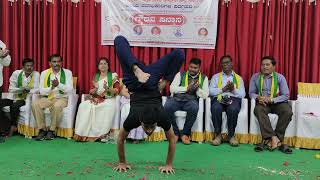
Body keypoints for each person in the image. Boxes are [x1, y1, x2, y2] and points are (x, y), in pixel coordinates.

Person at [113, 35, 184, 174]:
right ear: (140, 121)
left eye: (152, 127)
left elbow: (120, 139)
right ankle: (136, 68)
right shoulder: (138, 118)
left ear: (157, 122)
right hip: (149, 81)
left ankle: (135, 68)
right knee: (119, 40)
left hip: (136, 82)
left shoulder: (158, 117)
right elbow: (172, 140)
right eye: (147, 127)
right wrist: (121, 162)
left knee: (119, 40)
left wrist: (166, 81)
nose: (150, 131)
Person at [249, 56, 293, 154]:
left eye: (267, 65)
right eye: (263, 65)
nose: (265, 67)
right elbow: (251, 93)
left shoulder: (280, 77)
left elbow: (286, 95)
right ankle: (273, 138)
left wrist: (272, 100)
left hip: (277, 102)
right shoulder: (255, 77)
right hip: (263, 103)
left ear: (273, 66)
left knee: (287, 111)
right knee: (258, 110)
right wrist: (258, 97)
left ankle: (276, 137)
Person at [74, 57, 120, 142]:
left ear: (108, 66)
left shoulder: (113, 76)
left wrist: (108, 89)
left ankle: (102, 135)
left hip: (109, 99)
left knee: (107, 107)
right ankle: (83, 133)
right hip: (96, 98)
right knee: (83, 106)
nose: (103, 65)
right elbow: (91, 92)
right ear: (98, 66)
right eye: (100, 64)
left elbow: (117, 90)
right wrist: (95, 90)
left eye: (105, 63)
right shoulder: (96, 76)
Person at [164, 58, 209, 145]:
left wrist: (197, 89)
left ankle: (185, 133)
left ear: (199, 68)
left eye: (195, 68)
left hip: (191, 100)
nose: (192, 69)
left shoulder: (204, 78)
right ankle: (175, 133)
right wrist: (186, 88)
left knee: (194, 108)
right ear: (188, 66)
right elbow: (172, 89)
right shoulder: (180, 74)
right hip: (176, 99)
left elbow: (205, 95)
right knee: (166, 107)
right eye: (191, 67)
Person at [32, 54, 73, 141]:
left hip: (62, 98)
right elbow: (42, 91)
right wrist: (51, 88)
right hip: (48, 97)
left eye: (58, 61)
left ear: (61, 62)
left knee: (57, 106)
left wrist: (59, 85)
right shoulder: (44, 73)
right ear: (50, 63)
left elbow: (70, 89)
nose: (56, 63)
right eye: (54, 62)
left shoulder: (67, 72)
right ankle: (42, 130)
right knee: (35, 104)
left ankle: (51, 130)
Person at [209, 55, 245, 146]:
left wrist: (233, 90)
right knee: (216, 108)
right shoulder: (216, 77)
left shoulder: (238, 78)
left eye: (228, 62)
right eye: (223, 63)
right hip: (220, 97)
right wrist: (223, 89)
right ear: (221, 65)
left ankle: (231, 135)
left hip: (233, 98)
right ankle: (218, 135)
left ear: (232, 63)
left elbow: (242, 94)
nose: (225, 65)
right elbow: (210, 91)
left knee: (233, 109)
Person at [0, 58, 39, 143]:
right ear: (23, 67)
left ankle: (12, 126)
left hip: (27, 98)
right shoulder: (16, 73)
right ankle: (4, 126)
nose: (29, 68)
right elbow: (11, 88)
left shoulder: (36, 74)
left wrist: (29, 90)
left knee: (15, 106)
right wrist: (21, 89)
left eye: (31, 66)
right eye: (27, 66)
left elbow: (37, 89)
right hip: (14, 97)